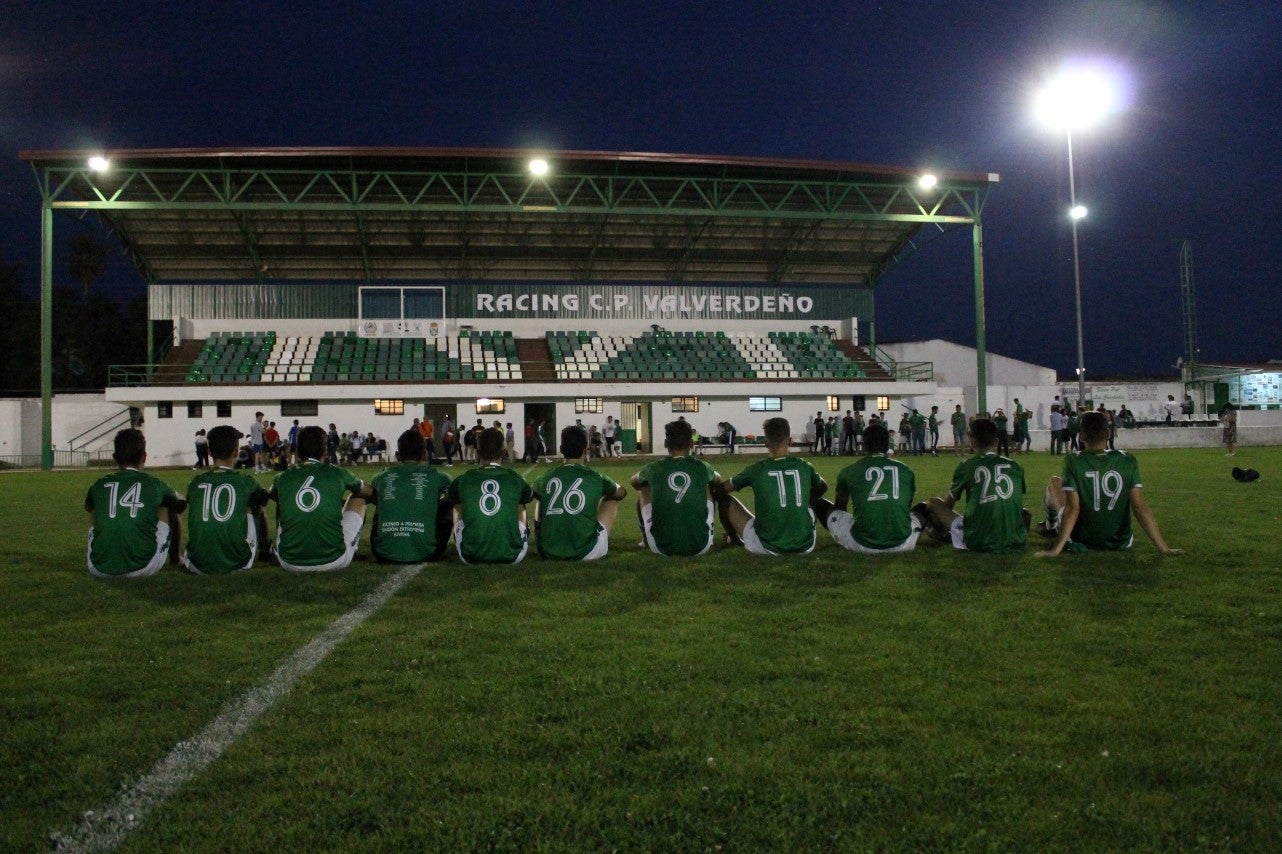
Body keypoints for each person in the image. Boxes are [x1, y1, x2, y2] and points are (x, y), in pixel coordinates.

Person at [1036, 411, 1180, 557]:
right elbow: (1139, 507)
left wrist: (1056, 550)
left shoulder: (1073, 460)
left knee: (1054, 482)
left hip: (1082, 538)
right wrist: (1164, 548)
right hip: (1121, 541)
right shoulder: (1127, 459)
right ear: (1108, 434)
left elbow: (1073, 509)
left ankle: (1051, 526)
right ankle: (1051, 527)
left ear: (1082, 436)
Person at [84, 428, 186, 578]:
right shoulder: (153, 483)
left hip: (98, 568)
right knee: (167, 503)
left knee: (94, 508)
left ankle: (105, 552)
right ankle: (175, 559)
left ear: (115, 458)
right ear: (144, 456)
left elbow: (88, 507)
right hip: (143, 566)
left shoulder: (99, 484)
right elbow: (180, 504)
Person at [918, 417, 1030, 554]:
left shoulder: (967, 466)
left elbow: (948, 504)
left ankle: (942, 534)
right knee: (1025, 512)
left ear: (973, 441)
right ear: (996, 441)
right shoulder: (1015, 466)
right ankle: (1012, 536)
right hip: (1015, 541)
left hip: (978, 539)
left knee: (933, 503)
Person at [717, 418, 827, 555]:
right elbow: (823, 486)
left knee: (725, 501)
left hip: (766, 546)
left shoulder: (756, 469)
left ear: (766, 443)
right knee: (813, 504)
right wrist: (807, 501)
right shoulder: (804, 465)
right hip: (806, 545)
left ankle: (734, 539)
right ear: (790, 441)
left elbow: (721, 490)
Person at [269, 425, 370, 572]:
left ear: (298, 451)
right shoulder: (338, 473)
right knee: (359, 497)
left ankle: (275, 549)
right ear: (325, 451)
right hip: (334, 560)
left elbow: (270, 494)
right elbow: (368, 492)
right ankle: (353, 547)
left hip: (289, 562)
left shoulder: (282, 477)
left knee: (282, 500)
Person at [814, 421, 923, 554]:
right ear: (887, 444)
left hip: (862, 544)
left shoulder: (849, 471)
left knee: (821, 504)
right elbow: (907, 505)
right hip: (904, 543)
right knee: (925, 507)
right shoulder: (905, 470)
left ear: (864, 445)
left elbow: (840, 507)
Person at [182, 425, 272, 574]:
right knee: (255, 504)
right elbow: (264, 500)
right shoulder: (246, 482)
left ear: (210, 452)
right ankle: (265, 551)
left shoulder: (195, 482)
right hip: (237, 563)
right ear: (236, 452)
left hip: (196, 565)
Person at [631, 419, 725, 556]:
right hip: (700, 546)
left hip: (660, 547)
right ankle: (708, 530)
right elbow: (719, 480)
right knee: (708, 485)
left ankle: (646, 537)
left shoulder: (653, 468)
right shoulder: (702, 467)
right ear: (691, 443)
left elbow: (633, 481)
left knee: (643, 487)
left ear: (665, 443)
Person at [534, 426, 627, 560]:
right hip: (585, 552)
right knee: (612, 499)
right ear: (585, 449)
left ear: (561, 449)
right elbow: (621, 493)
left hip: (547, 552)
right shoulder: (595, 476)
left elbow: (533, 493)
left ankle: (540, 536)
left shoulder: (545, 477)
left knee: (540, 499)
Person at [448, 427, 534, 564]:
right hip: (513, 556)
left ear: (478, 452)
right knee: (520, 503)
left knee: (457, 504)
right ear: (503, 452)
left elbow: (450, 496)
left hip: (470, 556)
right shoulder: (514, 478)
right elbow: (529, 496)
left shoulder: (465, 478)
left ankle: (465, 539)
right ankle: (517, 539)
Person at [369, 429, 453, 563]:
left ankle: (385, 540)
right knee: (449, 504)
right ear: (424, 455)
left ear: (397, 455)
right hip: (427, 553)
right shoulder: (440, 477)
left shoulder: (380, 477)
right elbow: (453, 496)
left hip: (383, 553)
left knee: (380, 501)